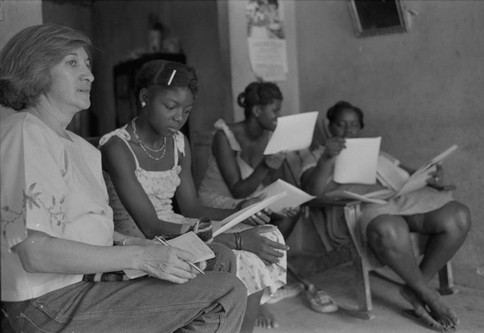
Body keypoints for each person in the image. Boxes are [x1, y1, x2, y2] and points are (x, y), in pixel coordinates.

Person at [0, 24, 246, 333]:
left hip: (89, 282)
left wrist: (146, 246)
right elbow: (34, 251)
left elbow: (90, 233)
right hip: (48, 302)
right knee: (225, 291)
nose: (88, 74)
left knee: (217, 258)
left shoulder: (81, 148)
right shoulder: (26, 132)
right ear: (35, 69)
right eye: (72, 63)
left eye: (88, 64)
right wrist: (142, 257)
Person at [99, 61, 286, 333]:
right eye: (170, 107)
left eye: (186, 110)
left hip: (177, 225)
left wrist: (241, 210)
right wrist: (233, 238)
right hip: (139, 238)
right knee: (243, 256)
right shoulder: (117, 146)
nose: (179, 118)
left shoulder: (177, 143)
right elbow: (150, 226)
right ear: (144, 98)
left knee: (265, 235)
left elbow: (191, 206)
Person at [300, 101, 471, 330]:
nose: (347, 131)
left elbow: (410, 172)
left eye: (353, 125)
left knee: (459, 216)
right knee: (389, 228)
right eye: (340, 124)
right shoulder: (317, 155)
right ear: (329, 126)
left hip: (401, 200)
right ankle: (428, 294)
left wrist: (432, 175)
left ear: (360, 127)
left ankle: (417, 288)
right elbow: (312, 193)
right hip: (363, 209)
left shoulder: (376, 153)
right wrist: (327, 159)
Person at [198, 81, 338, 326]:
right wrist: (265, 165)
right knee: (256, 224)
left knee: (289, 213)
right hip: (221, 201)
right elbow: (237, 189)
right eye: (275, 111)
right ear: (256, 111)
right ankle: (255, 299)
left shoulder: (272, 136)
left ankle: (260, 289)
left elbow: (274, 181)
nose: (278, 117)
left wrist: (285, 198)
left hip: (253, 200)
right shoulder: (225, 135)